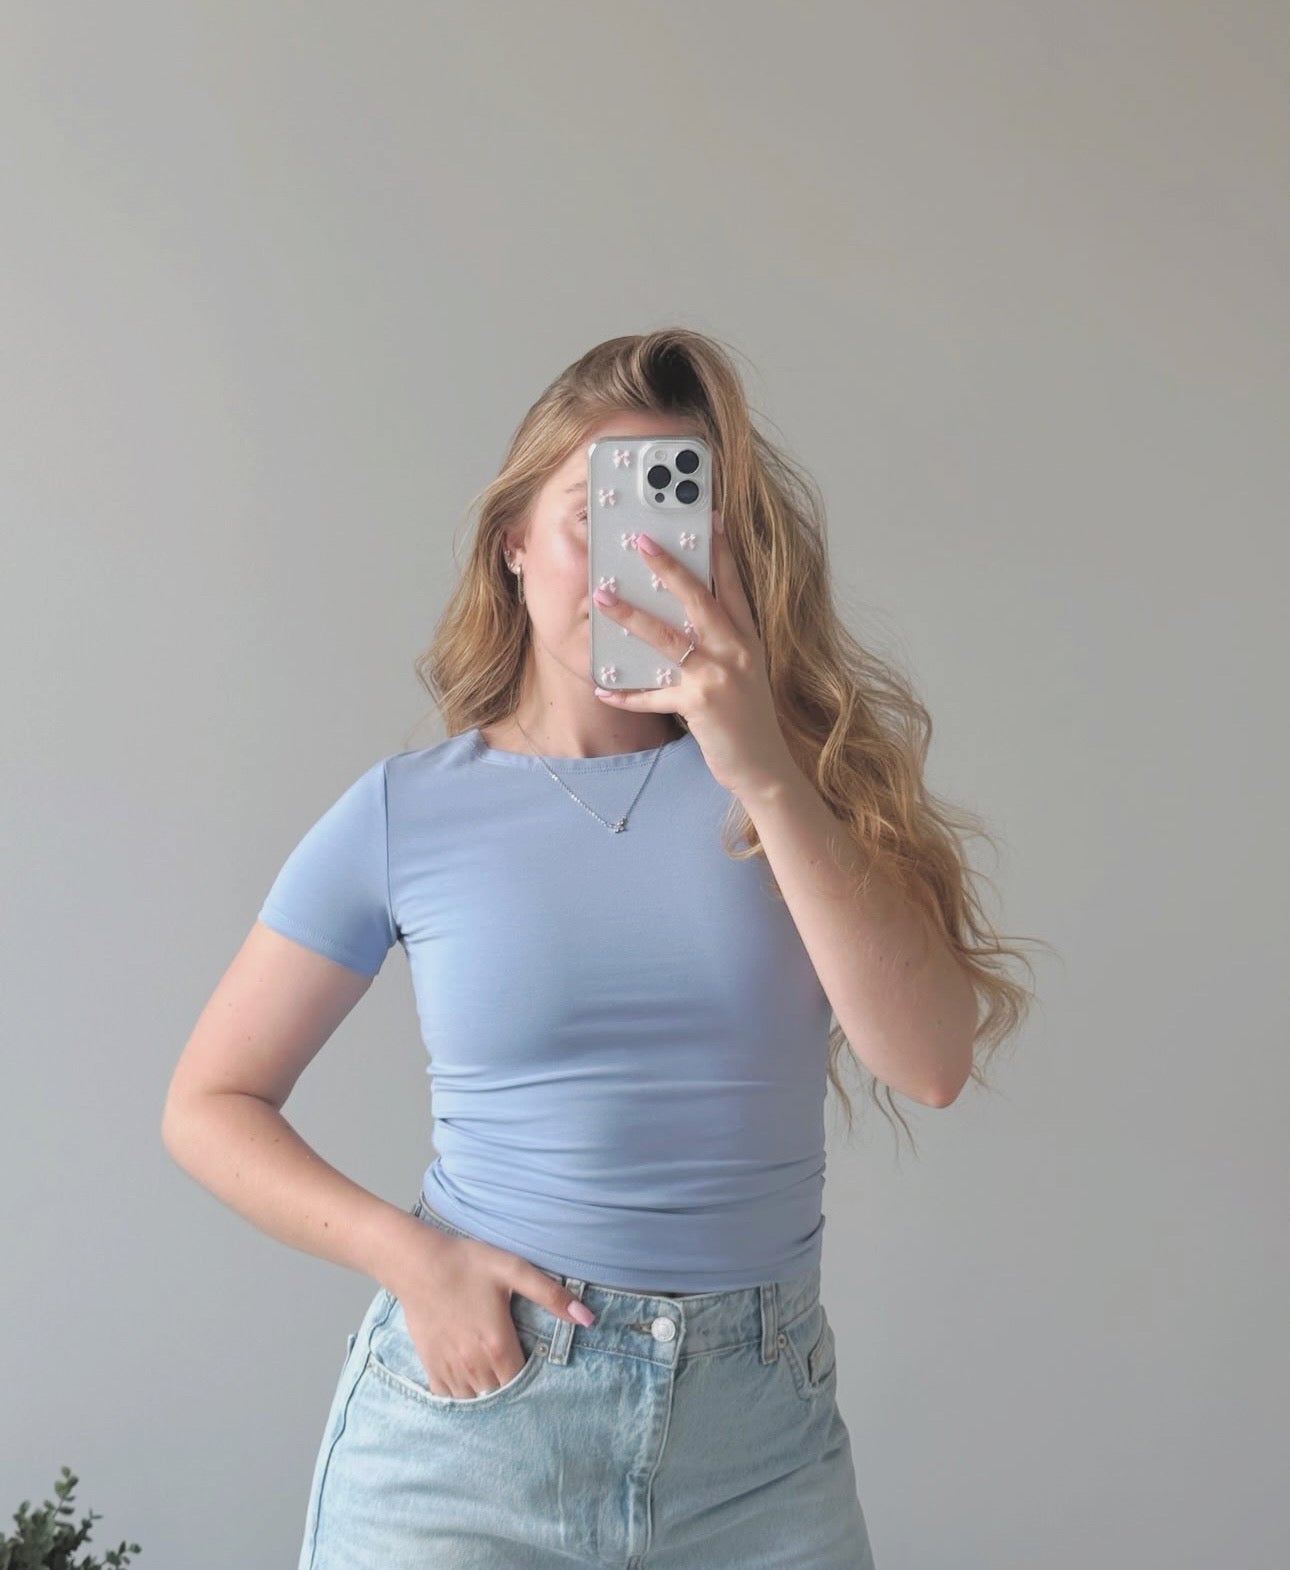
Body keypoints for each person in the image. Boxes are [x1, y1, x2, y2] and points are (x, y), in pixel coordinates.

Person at [162, 328, 1035, 1568]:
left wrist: (763, 770)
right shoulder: (408, 811)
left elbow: (931, 1061)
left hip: (760, 1452)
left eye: (677, 524)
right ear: (514, 540)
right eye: (596, 517)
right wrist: (412, 1260)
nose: (640, 561)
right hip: (474, 1429)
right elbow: (208, 1102)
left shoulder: (803, 791)